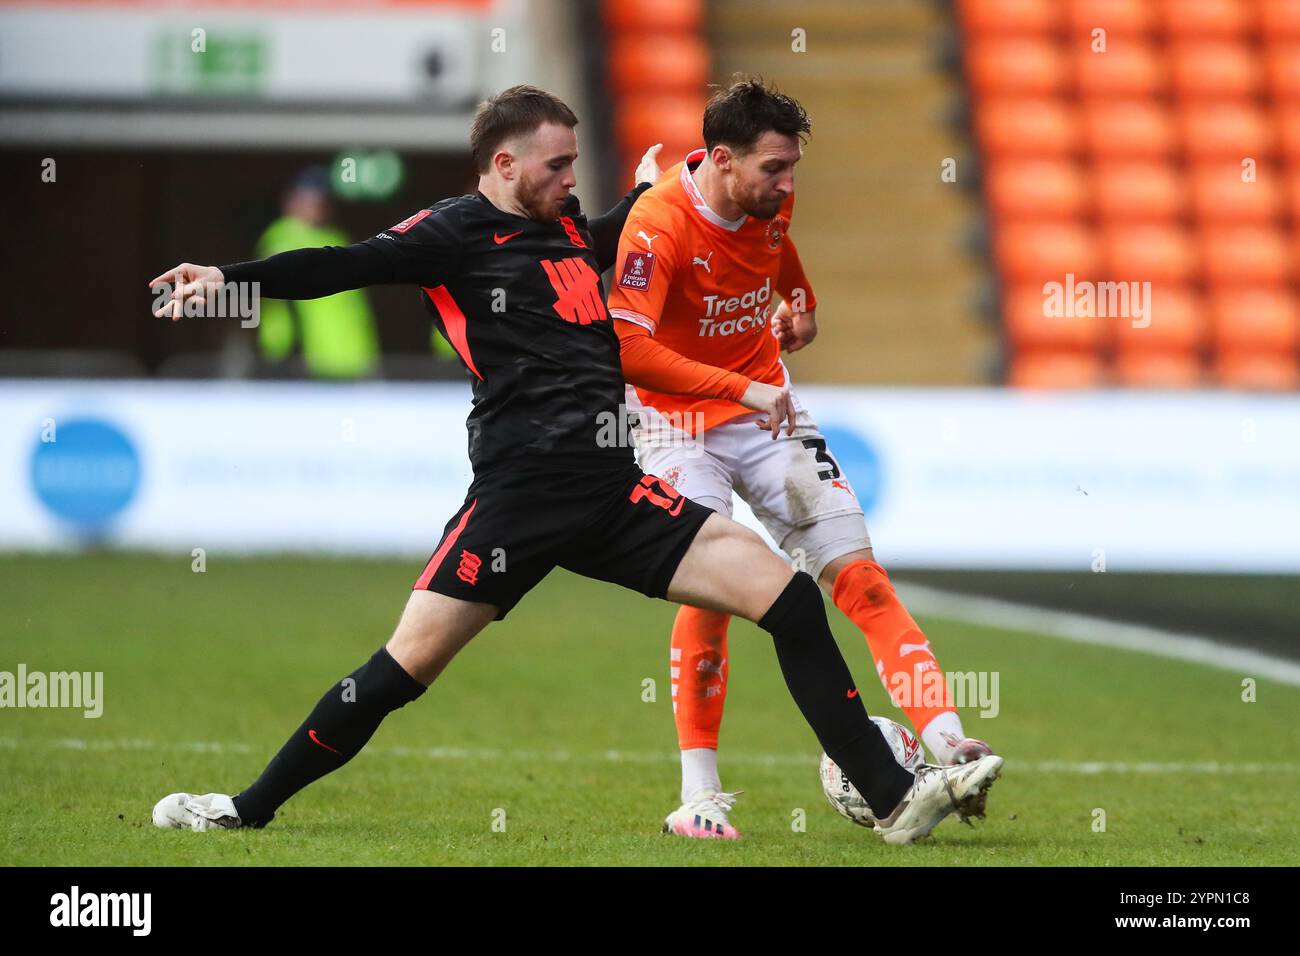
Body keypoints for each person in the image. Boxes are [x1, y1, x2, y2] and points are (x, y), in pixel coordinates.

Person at [146, 85, 1002, 846]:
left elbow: (592, 242)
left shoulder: (560, 229)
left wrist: (636, 195)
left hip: (611, 490)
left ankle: (893, 800)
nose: (569, 178)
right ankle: (245, 807)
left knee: (788, 599)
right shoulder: (450, 233)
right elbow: (340, 265)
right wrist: (225, 278)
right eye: (557, 165)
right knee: (400, 671)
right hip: (520, 500)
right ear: (505, 162)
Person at [606, 78, 996, 839]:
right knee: (709, 593)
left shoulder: (770, 200)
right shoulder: (656, 228)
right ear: (721, 159)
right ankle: (699, 796)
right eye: (773, 170)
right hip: (674, 423)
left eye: (792, 171)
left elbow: (774, 254)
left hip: (766, 410)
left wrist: (802, 301)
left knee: (862, 580)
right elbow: (629, 350)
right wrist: (737, 391)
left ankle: (950, 744)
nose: (787, 186)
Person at [254, 166, 382, 379]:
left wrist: (367, 357)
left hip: (350, 358)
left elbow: (353, 306)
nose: (318, 206)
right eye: (311, 198)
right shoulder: (281, 238)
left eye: (322, 199)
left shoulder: (335, 238)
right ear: (292, 200)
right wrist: (285, 353)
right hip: (306, 360)